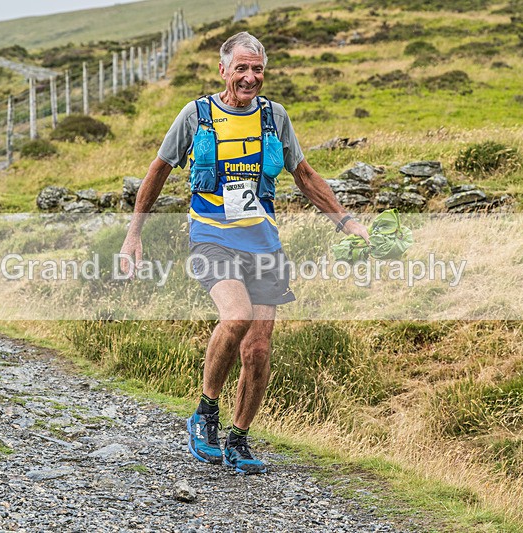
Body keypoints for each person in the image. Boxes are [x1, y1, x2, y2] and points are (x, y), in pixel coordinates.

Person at [118, 32, 370, 474]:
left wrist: (346, 221)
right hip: (212, 237)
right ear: (223, 70)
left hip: (263, 244)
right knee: (235, 317)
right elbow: (158, 171)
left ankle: (238, 439)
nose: (250, 77)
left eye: (257, 70)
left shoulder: (275, 116)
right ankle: (205, 414)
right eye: (241, 69)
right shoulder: (195, 115)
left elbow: (305, 175)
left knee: (257, 348)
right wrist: (133, 235)